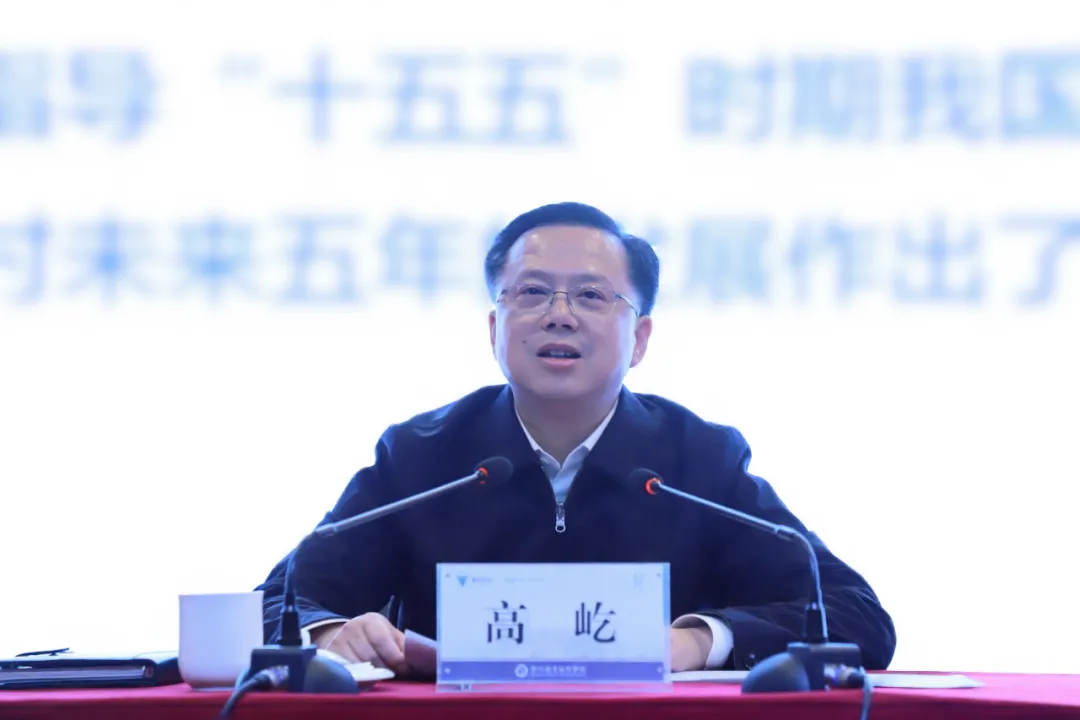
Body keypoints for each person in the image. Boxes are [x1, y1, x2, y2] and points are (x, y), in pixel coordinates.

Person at [255, 202, 896, 676]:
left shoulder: (697, 458)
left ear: (639, 338)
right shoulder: (422, 456)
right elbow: (274, 603)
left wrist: (699, 641)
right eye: (532, 292)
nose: (559, 314)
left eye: (591, 295)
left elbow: (854, 614)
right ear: (494, 328)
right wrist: (331, 634)